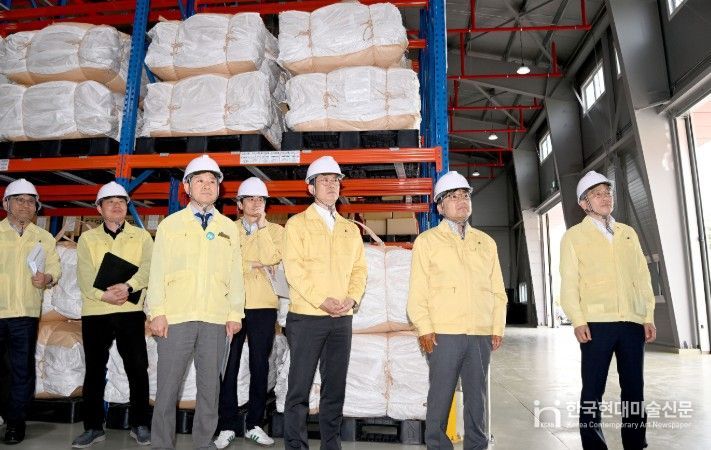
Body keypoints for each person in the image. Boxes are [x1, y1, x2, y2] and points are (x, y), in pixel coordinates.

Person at [146, 155, 245, 450]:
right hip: (176, 318)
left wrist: (235, 313)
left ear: (219, 188)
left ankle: (203, 443)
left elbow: (235, 274)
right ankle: (162, 445)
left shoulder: (228, 227)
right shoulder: (171, 225)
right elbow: (157, 271)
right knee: (167, 389)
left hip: (215, 318)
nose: (206, 185)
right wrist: (157, 312)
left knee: (210, 389)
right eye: (199, 180)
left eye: (212, 181)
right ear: (187, 187)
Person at [407, 171, 507, 450]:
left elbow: (498, 290)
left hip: (479, 332)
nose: (461, 201)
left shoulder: (485, 242)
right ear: (440, 207)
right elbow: (417, 291)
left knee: (477, 399)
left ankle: (477, 445)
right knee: (440, 398)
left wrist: (496, 327)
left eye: (465, 195)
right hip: (443, 334)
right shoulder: (427, 242)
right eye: (453, 197)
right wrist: (424, 328)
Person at [560, 170, 656, 450]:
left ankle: (635, 443)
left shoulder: (628, 233)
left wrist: (647, 315)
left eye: (608, 192)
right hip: (596, 324)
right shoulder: (574, 237)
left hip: (632, 322)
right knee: (592, 390)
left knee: (634, 389)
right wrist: (578, 320)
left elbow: (642, 277)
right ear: (584, 203)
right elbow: (569, 282)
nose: (605, 198)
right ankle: (593, 445)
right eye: (597, 194)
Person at [282, 156, 367, 450]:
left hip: (341, 318)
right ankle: (296, 445)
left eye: (335, 180)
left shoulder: (349, 229)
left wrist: (352, 298)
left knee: (334, 389)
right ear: (311, 188)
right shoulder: (297, 225)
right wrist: (321, 301)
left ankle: (331, 445)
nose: (331, 185)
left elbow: (359, 269)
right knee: (299, 389)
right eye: (324, 181)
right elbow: (294, 270)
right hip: (307, 317)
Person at [71, 182, 153, 448]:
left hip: (129, 310)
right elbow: (84, 275)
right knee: (95, 369)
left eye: (121, 201)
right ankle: (93, 427)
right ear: (99, 208)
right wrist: (102, 296)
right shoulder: (88, 239)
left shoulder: (142, 237)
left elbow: (149, 267)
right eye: (110, 202)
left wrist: (129, 286)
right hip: (96, 311)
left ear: (127, 206)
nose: (117, 206)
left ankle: (140, 424)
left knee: (137, 367)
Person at [214, 177, 284, 448]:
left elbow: (274, 258)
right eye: (250, 199)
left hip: (263, 305)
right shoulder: (227, 230)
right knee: (228, 365)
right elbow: (224, 263)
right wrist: (255, 265)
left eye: (261, 199)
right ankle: (226, 425)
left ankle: (255, 424)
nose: (256, 204)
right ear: (240, 204)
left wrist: (262, 229)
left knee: (259, 364)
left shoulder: (275, 231)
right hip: (232, 304)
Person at [0, 178, 61, 445]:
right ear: (6, 204)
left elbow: (55, 268)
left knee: (21, 371)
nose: (25, 205)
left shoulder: (43, 238)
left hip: (25, 314)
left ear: (37, 207)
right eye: (19, 200)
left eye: (30, 202)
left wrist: (47, 278)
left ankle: (15, 423)